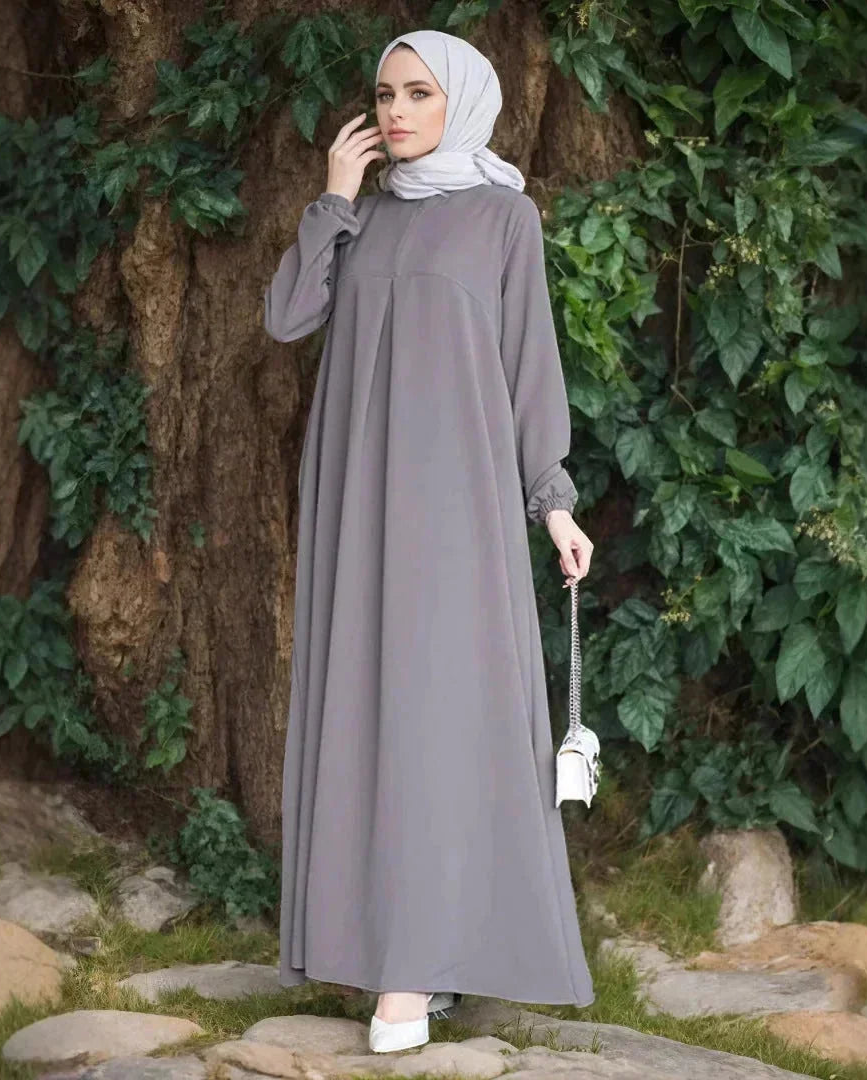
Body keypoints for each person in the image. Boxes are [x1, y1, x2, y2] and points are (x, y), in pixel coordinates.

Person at [263, 28, 596, 1055]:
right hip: (357, 502)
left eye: (419, 93)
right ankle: (397, 953)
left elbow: (528, 363)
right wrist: (332, 197)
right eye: (384, 95)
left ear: (462, 100)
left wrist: (552, 502)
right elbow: (286, 319)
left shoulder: (504, 217)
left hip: (458, 506)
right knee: (368, 713)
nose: (397, 112)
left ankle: (413, 972)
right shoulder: (361, 218)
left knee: (442, 720)